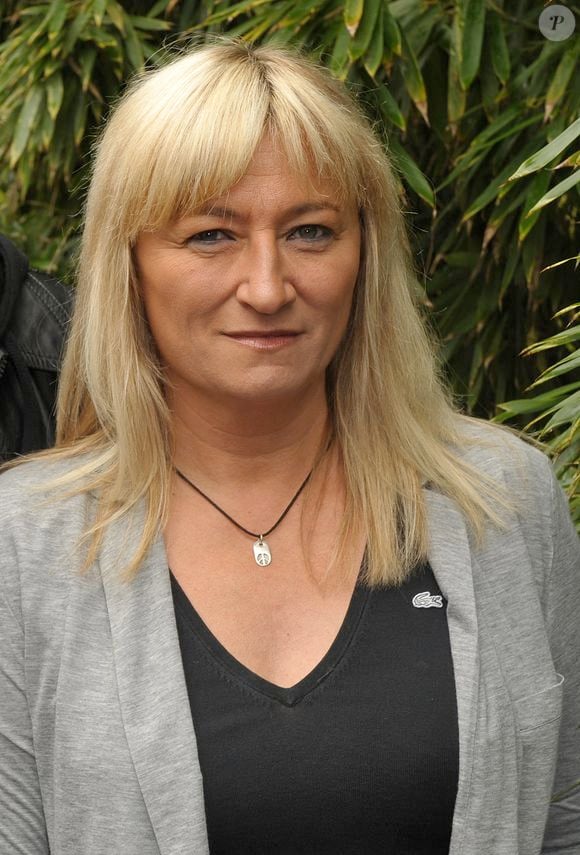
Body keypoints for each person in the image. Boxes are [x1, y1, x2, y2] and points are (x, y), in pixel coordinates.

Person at [0, 39, 578, 855]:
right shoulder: (24, 543)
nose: (268, 287)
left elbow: (564, 816)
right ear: (128, 263)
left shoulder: (502, 501)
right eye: (211, 235)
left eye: (310, 231)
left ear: (365, 253)